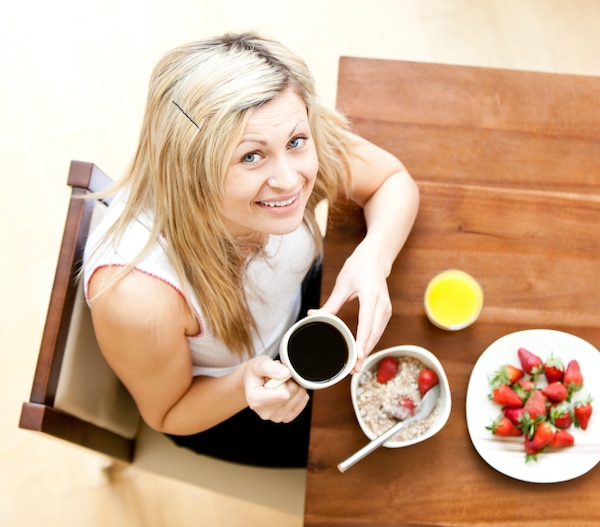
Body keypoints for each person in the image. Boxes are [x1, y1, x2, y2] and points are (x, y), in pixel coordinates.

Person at [84, 32, 419, 467]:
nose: (290, 179)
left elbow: (392, 181)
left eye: (297, 143)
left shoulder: (278, 127)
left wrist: (374, 256)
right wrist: (244, 383)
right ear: (191, 167)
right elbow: (166, 412)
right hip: (232, 401)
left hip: (297, 318)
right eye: (250, 157)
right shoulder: (136, 294)